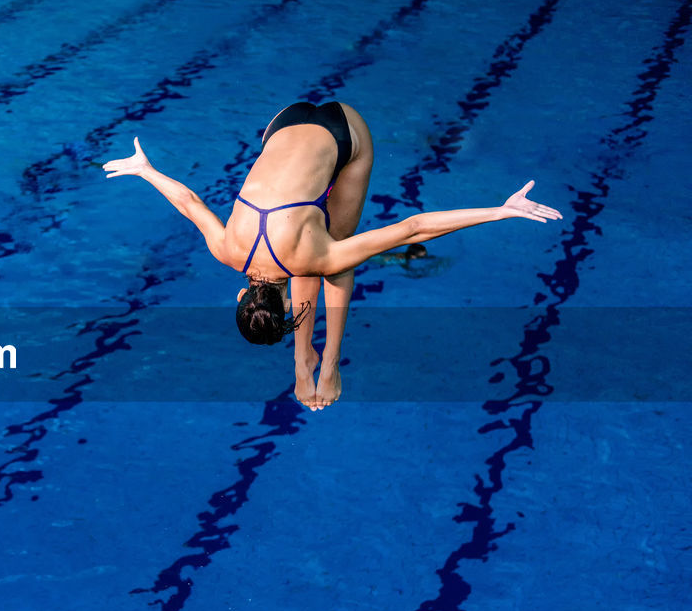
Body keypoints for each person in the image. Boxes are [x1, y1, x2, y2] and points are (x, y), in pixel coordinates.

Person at [103, 101, 560, 410]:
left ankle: (323, 362)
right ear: (241, 294)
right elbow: (190, 204)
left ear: (285, 306)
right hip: (283, 123)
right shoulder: (226, 250)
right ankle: (307, 362)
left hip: (346, 133)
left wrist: (502, 212)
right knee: (324, 255)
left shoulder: (316, 259)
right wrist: (146, 170)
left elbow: (412, 229)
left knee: (337, 255)